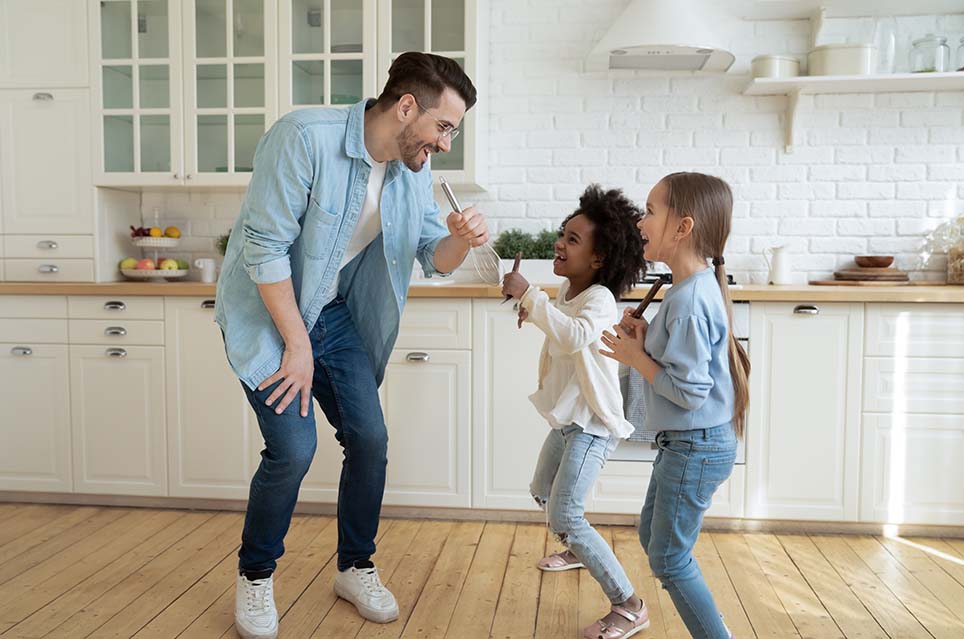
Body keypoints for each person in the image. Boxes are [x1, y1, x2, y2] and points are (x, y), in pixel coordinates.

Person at [215, 52, 487, 639]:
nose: (445, 144)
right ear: (407, 106)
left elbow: (434, 258)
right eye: (444, 127)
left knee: (369, 439)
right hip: (268, 311)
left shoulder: (410, 172)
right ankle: (255, 575)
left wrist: (461, 241)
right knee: (293, 450)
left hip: (330, 314)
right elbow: (264, 249)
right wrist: (296, 345)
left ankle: (354, 567)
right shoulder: (303, 138)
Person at [600, 172, 750, 639]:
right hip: (688, 443)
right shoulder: (688, 289)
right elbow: (683, 364)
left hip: (694, 446)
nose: (640, 221)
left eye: (649, 211)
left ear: (682, 227)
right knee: (653, 537)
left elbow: (689, 392)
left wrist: (635, 357)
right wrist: (646, 341)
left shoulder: (688, 300)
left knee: (668, 557)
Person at [502, 184, 650, 639]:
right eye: (562, 235)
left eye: (572, 239)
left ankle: (629, 605)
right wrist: (535, 308)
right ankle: (577, 546)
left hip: (591, 426)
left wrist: (531, 298)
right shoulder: (570, 289)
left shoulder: (600, 299)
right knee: (542, 492)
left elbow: (573, 335)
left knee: (564, 514)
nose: (559, 244)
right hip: (569, 421)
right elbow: (563, 328)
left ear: (599, 258)